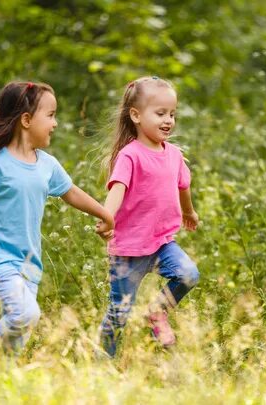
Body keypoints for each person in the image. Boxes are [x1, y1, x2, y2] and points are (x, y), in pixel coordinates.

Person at [0, 81, 114, 357]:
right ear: (26, 120)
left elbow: (71, 193)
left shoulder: (47, 165)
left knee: (20, 333)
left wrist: (104, 213)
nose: (55, 123)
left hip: (29, 264)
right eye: (50, 115)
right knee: (26, 313)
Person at [97, 76, 200, 357]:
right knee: (119, 312)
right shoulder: (130, 155)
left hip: (161, 242)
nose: (168, 120)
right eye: (160, 113)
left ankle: (157, 313)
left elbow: (184, 186)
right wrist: (108, 217)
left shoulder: (174, 154)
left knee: (188, 274)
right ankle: (102, 362)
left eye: (172, 114)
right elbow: (118, 188)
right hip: (129, 249)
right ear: (136, 115)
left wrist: (189, 212)